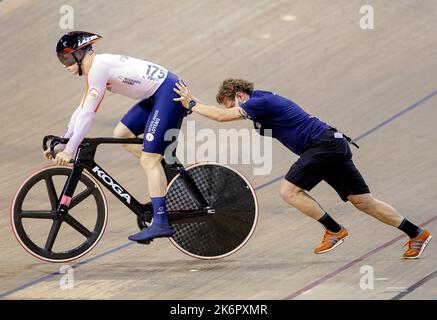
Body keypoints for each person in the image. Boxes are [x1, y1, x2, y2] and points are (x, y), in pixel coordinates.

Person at [172, 79, 432, 259]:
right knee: (363, 201)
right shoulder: (260, 105)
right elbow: (222, 113)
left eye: (232, 104)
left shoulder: (258, 102)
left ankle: (334, 230)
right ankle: (417, 233)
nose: (234, 110)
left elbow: (221, 117)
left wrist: (192, 104)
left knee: (289, 192)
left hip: (322, 146)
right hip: (332, 145)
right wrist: (192, 104)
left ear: (239, 96)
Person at [45, 31, 187, 243]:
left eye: (65, 58)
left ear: (80, 53)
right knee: (121, 134)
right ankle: (164, 170)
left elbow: (88, 114)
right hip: (158, 94)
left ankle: (160, 222)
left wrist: (69, 150)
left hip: (168, 94)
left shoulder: (98, 68)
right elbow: (82, 108)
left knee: (149, 159)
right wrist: (64, 141)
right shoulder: (96, 67)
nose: (64, 64)